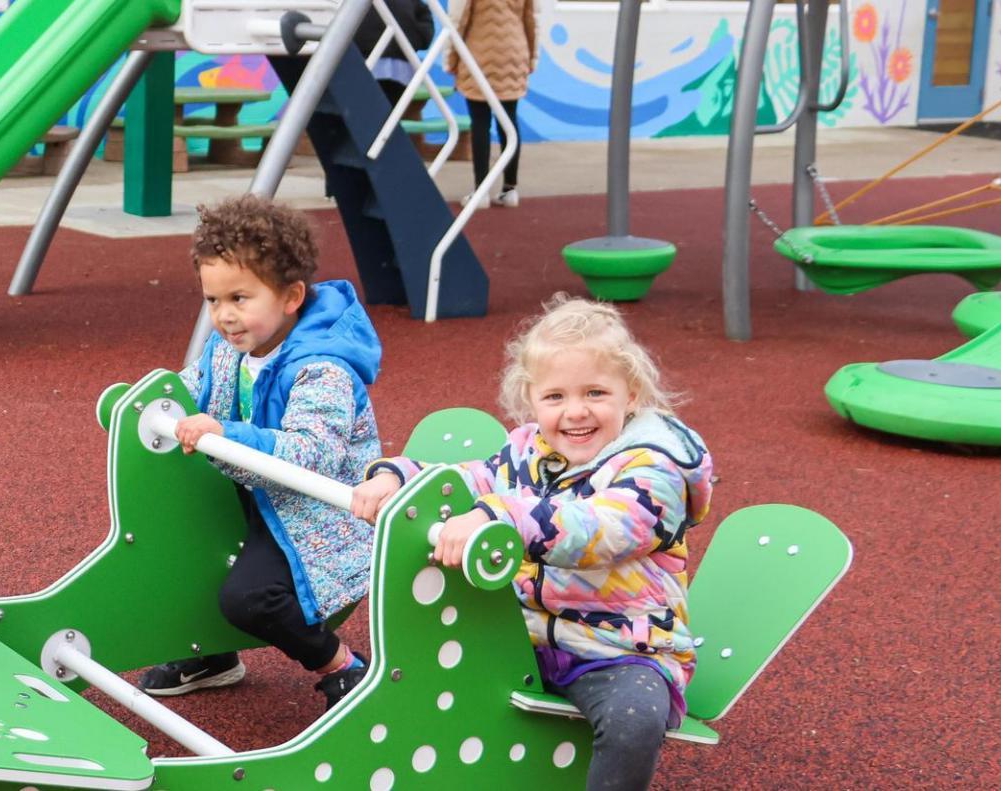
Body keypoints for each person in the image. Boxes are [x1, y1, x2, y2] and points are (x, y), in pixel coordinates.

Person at [351, 295, 713, 791]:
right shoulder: (527, 451)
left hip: (618, 648)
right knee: (418, 672)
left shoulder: (654, 470)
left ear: (630, 394)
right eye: (555, 397)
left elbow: (603, 528)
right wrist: (400, 477)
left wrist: (503, 514)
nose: (575, 412)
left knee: (633, 719)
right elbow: (471, 479)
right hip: (522, 638)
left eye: (595, 393)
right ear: (531, 399)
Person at [134, 195, 382, 709]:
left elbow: (313, 453)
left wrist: (224, 434)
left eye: (239, 298)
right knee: (174, 545)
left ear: (291, 297)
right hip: (253, 491)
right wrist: (147, 403)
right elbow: (193, 388)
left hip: (318, 511)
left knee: (251, 598)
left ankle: (344, 667)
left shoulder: (323, 368)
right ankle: (212, 652)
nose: (224, 316)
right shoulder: (231, 347)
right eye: (213, 300)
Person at [448, 0, 539, 207]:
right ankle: (510, 189)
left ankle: (481, 191)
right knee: (509, 122)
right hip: (515, 53)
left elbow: (459, 19)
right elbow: (531, 20)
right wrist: (531, 57)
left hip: (478, 55)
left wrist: (452, 59)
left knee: (480, 123)